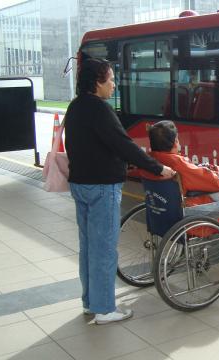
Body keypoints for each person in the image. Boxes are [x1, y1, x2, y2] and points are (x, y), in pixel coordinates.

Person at [64, 58, 175, 324]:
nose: (114, 84)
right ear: (97, 82)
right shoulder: (100, 109)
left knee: (89, 246)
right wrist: (158, 168)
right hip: (102, 187)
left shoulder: (76, 106)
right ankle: (104, 309)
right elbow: (123, 145)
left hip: (80, 185)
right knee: (104, 249)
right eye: (110, 79)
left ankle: (91, 302)